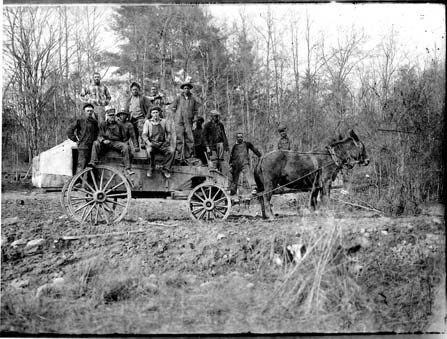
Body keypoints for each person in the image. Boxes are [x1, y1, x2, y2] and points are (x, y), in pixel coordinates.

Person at [88, 109, 134, 176]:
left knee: (125, 147)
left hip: (116, 142)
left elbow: (124, 136)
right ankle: (93, 162)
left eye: (113, 115)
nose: (112, 117)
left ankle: (128, 168)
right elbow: (99, 135)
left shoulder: (119, 124)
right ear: (107, 116)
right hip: (105, 143)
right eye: (110, 115)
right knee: (96, 143)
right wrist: (103, 140)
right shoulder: (103, 124)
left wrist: (125, 142)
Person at [170, 82, 200, 160]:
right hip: (179, 121)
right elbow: (173, 108)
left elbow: (196, 111)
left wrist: (195, 121)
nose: (186, 90)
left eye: (187, 88)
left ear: (190, 89)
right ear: (183, 89)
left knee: (190, 138)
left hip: (189, 121)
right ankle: (179, 155)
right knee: (179, 138)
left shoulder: (193, 99)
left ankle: (189, 155)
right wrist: (175, 118)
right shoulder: (178, 98)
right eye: (185, 88)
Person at [142, 106, 174, 179]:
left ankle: (166, 169)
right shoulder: (148, 122)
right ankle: (151, 168)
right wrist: (148, 143)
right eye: (153, 113)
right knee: (150, 151)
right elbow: (144, 135)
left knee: (171, 151)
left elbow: (169, 133)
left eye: (156, 112)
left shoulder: (164, 121)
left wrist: (168, 140)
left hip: (162, 143)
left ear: (159, 113)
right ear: (151, 114)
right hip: (152, 143)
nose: (155, 114)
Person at [66, 103, 99, 174]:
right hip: (83, 147)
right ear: (84, 111)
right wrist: (76, 139)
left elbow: (97, 133)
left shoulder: (94, 122)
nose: (89, 112)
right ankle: (77, 183)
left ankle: (90, 183)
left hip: (92, 148)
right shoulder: (79, 120)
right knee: (81, 166)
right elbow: (69, 130)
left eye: (91, 111)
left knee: (92, 167)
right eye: (88, 111)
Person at [228, 132, 262, 196]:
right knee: (235, 178)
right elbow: (231, 156)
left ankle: (254, 188)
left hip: (244, 163)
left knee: (248, 174)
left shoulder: (246, 144)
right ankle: (233, 191)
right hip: (236, 165)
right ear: (236, 138)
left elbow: (254, 149)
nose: (240, 138)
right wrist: (230, 164)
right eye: (238, 137)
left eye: (241, 137)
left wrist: (259, 155)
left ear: (242, 137)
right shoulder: (234, 146)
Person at [124, 82, 152, 149]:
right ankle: (135, 145)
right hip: (131, 118)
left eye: (136, 89)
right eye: (133, 90)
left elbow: (150, 107)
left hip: (141, 117)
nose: (135, 91)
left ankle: (143, 142)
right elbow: (126, 110)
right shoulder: (129, 99)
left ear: (138, 90)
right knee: (132, 131)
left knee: (141, 127)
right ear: (131, 91)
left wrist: (146, 117)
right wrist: (124, 118)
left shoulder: (143, 98)